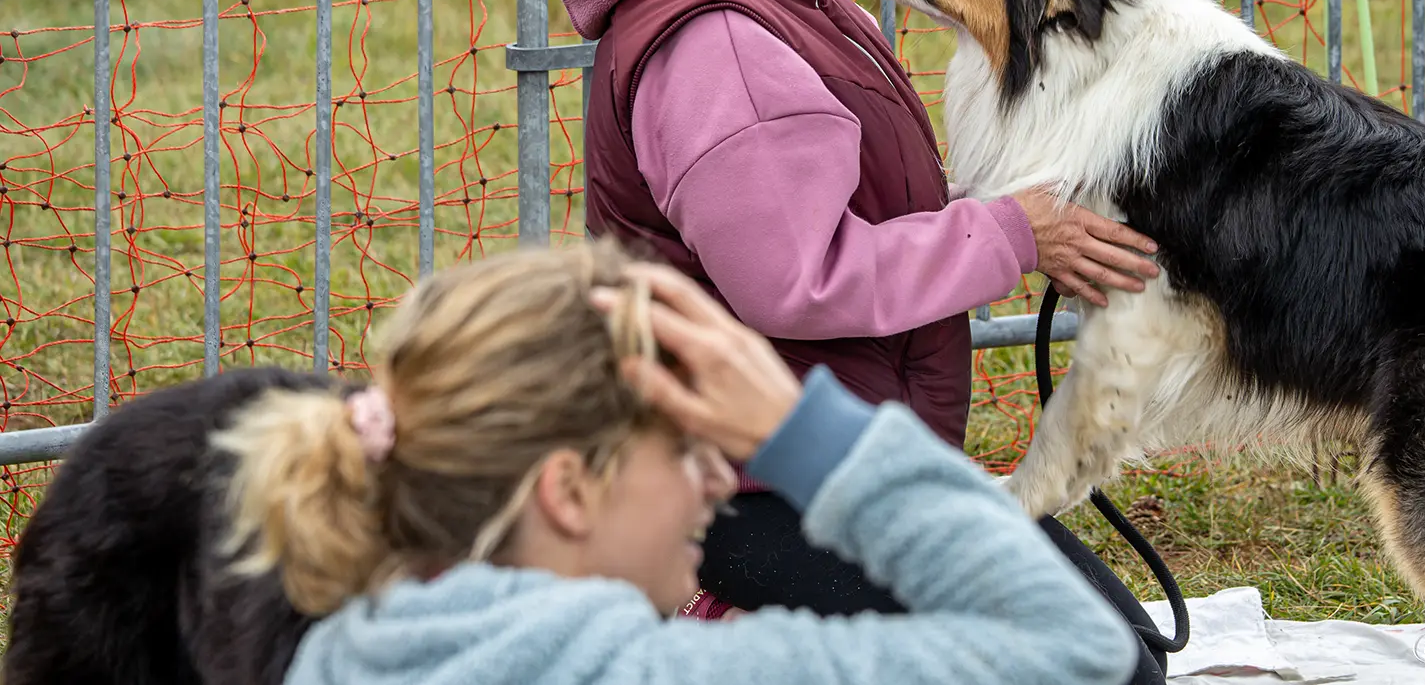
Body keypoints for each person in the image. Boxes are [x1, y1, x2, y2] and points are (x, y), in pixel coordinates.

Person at [551, 0, 1169, 669]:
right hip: (753, 487)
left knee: (1114, 648)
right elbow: (795, 280)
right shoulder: (719, 34)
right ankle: (723, 633)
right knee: (1102, 663)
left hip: (820, 459)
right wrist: (1011, 235)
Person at [223, 243, 1140, 685]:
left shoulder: (334, 659)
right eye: (686, 450)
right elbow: (1079, 647)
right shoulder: (671, 674)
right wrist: (802, 428)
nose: (716, 479)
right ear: (569, 491)